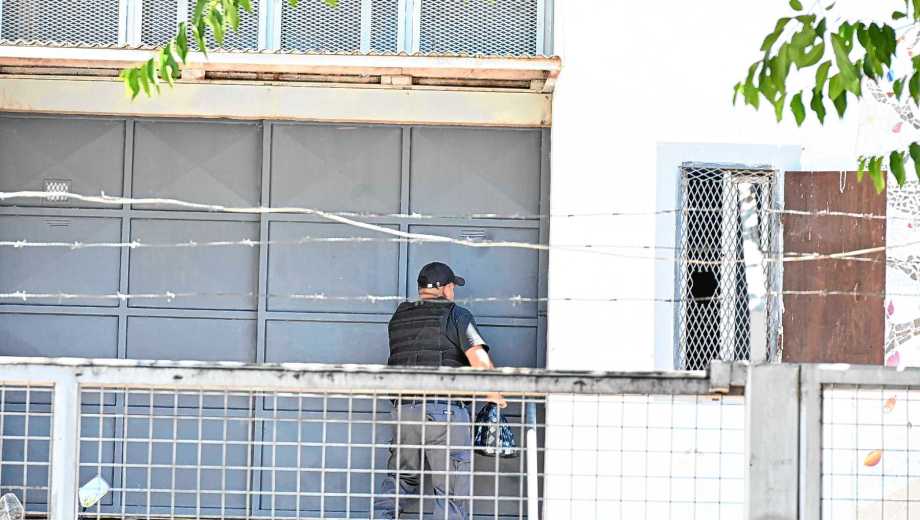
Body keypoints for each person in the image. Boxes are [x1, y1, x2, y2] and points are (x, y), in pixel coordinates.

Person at [374, 262, 506, 520]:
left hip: (404, 411)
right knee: (451, 488)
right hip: (444, 411)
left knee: (401, 478)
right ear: (445, 288)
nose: (453, 292)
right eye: (453, 287)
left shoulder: (399, 317)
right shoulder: (457, 315)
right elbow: (480, 361)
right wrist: (495, 396)